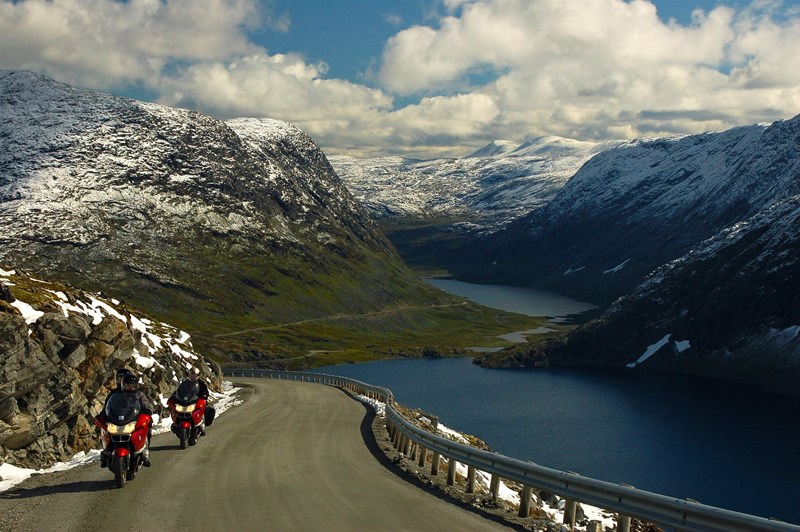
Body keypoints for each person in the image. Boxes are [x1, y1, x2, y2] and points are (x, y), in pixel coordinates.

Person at [101, 372, 154, 467]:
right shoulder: (115, 393)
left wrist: (147, 410)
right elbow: (108, 406)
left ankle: (145, 453)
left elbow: (146, 404)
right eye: (128, 385)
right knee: (105, 429)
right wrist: (104, 413)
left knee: (147, 426)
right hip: (118, 419)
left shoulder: (139, 394)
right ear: (123, 384)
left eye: (133, 385)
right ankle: (106, 453)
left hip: (133, 418)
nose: (130, 387)